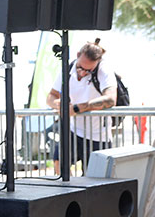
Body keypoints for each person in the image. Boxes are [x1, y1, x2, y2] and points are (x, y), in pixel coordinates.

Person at [47, 40, 117, 174]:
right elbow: (51, 96)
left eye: (88, 70)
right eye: (81, 67)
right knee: (59, 164)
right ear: (77, 55)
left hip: (98, 136)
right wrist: (58, 104)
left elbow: (110, 99)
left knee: (94, 177)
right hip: (73, 130)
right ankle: (67, 192)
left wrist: (79, 108)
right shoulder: (69, 67)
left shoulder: (104, 69)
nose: (83, 73)